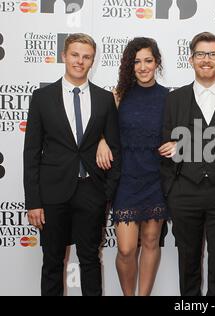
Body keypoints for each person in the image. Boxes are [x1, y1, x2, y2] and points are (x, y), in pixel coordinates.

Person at [23, 33, 121, 296]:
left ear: (93, 61)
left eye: (86, 56)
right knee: (52, 262)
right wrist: (33, 201)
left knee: (90, 260)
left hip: (91, 192)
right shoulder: (42, 97)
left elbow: (116, 148)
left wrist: (106, 194)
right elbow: (31, 152)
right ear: (64, 56)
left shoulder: (104, 99)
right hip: (52, 193)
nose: (80, 61)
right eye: (75, 55)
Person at [159, 32, 215, 296]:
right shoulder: (174, 99)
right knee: (188, 261)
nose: (206, 60)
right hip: (184, 191)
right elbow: (167, 147)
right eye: (200, 54)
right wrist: (171, 189)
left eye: (212, 55)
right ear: (191, 59)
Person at [95, 38, 169, 296]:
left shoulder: (168, 97)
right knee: (126, 248)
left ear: (157, 62)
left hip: (156, 179)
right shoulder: (118, 96)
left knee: (150, 242)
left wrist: (176, 145)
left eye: (148, 60)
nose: (143, 66)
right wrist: (102, 141)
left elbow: (179, 135)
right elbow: (100, 129)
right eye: (136, 61)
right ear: (129, 65)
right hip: (126, 178)